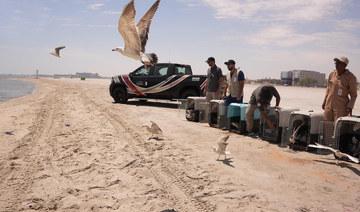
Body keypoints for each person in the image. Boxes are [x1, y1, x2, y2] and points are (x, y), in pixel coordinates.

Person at [322, 57, 357, 122]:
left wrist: (350, 107)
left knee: (337, 127)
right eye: (336, 63)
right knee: (326, 125)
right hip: (328, 105)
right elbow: (328, 89)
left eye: (339, 63)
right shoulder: (332, 74)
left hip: (340, 107)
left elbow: (353, 94)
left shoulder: (351, 77)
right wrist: (324, 101)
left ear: (345, 65)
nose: (336, 64)